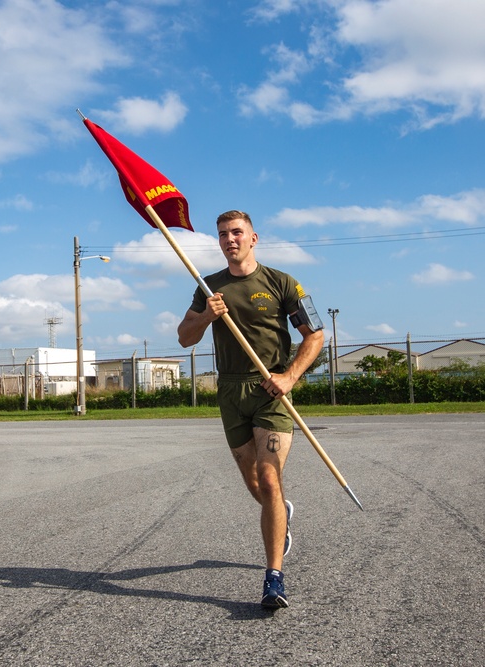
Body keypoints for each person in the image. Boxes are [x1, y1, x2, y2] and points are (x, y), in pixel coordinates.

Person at [177, 210, 324, 610]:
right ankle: (281, 515)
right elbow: (184, 338)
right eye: (223, 234)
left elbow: (315, 335)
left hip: (271, 389)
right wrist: (208, 315)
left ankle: (273, 578)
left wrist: (290, 377)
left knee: (269, 478)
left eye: (237, 232)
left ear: (254, 238)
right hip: (230, 390)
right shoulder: (208, 286)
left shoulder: (281, 282)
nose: (230, 239)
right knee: (256, 487)